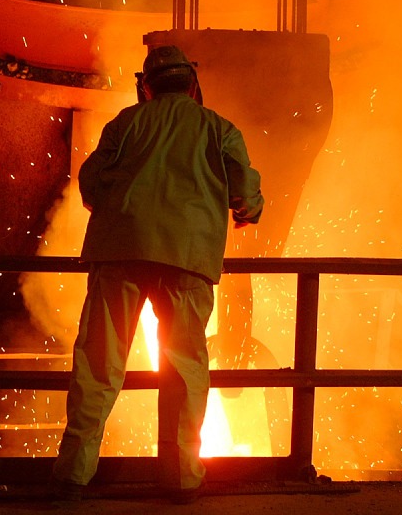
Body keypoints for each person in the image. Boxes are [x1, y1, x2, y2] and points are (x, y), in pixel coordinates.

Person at [51, 44, 264, 503]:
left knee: (98, 365)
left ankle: (73, 474)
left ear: (145, 86)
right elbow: (246, 190)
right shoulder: (219, 129)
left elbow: (90, 184)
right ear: (192, 84)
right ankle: (181, 478)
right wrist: (246, 211)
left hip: (119, 253)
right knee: (184, 368)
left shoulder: (124, 124)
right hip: (187, 260)